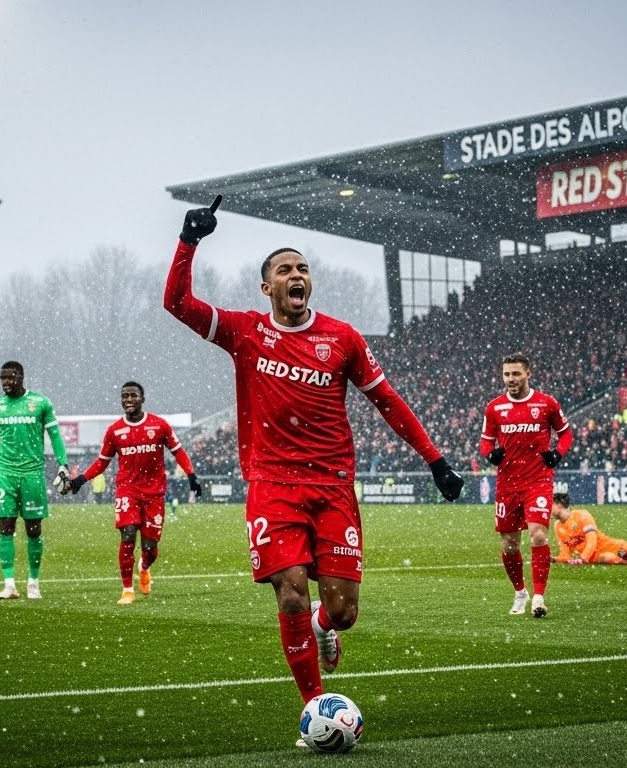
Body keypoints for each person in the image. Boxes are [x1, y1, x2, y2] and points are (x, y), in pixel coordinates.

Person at [164, 196, 464, 739]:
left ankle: (327, 628)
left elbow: (388, 400)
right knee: (292, 591)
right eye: (285, 270)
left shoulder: (342, 338)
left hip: (333, 488)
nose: (296, 275)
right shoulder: (245, 332)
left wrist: (435, 460)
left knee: (343, 610)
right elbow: (177, 303)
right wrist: (189, 242)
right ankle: (315, 708)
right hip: (273, 487)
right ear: (267, 287)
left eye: (303, 269)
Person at [67, 381, 202, 605]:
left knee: (150, 548)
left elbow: (178, 452)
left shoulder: (159, 426)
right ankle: (127, 589)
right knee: (127, 535)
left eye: (133, 395)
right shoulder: (114, 431)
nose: (128, 400)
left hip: (154, 494)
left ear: (142, 398)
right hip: (127, 491)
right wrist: (81, 479)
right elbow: (102, 462)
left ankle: (145, 567)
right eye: (124, 396)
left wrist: (191, 475)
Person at [478, 352, 573, 618]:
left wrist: (557, 454)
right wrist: (490, 454)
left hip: (538, 481)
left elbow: (566, 434)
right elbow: (486, 441)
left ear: (528, 374)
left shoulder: (546, 404)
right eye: (507, 374)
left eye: (516, 373)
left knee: (539, 535)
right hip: (507, 484)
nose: (511, 379)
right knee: (509, 544)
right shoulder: (494, 408)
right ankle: (520, 592)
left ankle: (539, 598)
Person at [0, 361, 72, 600]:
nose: (6, 382)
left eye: (10, 377)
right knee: (5, 527)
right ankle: (9, 585)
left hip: (32, 474)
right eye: (2, 378)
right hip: (5, 474)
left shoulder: (40, 403)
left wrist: (63, 464)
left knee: (33, 529)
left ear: (21, 377)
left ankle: (33, 583)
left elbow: (55, 435)